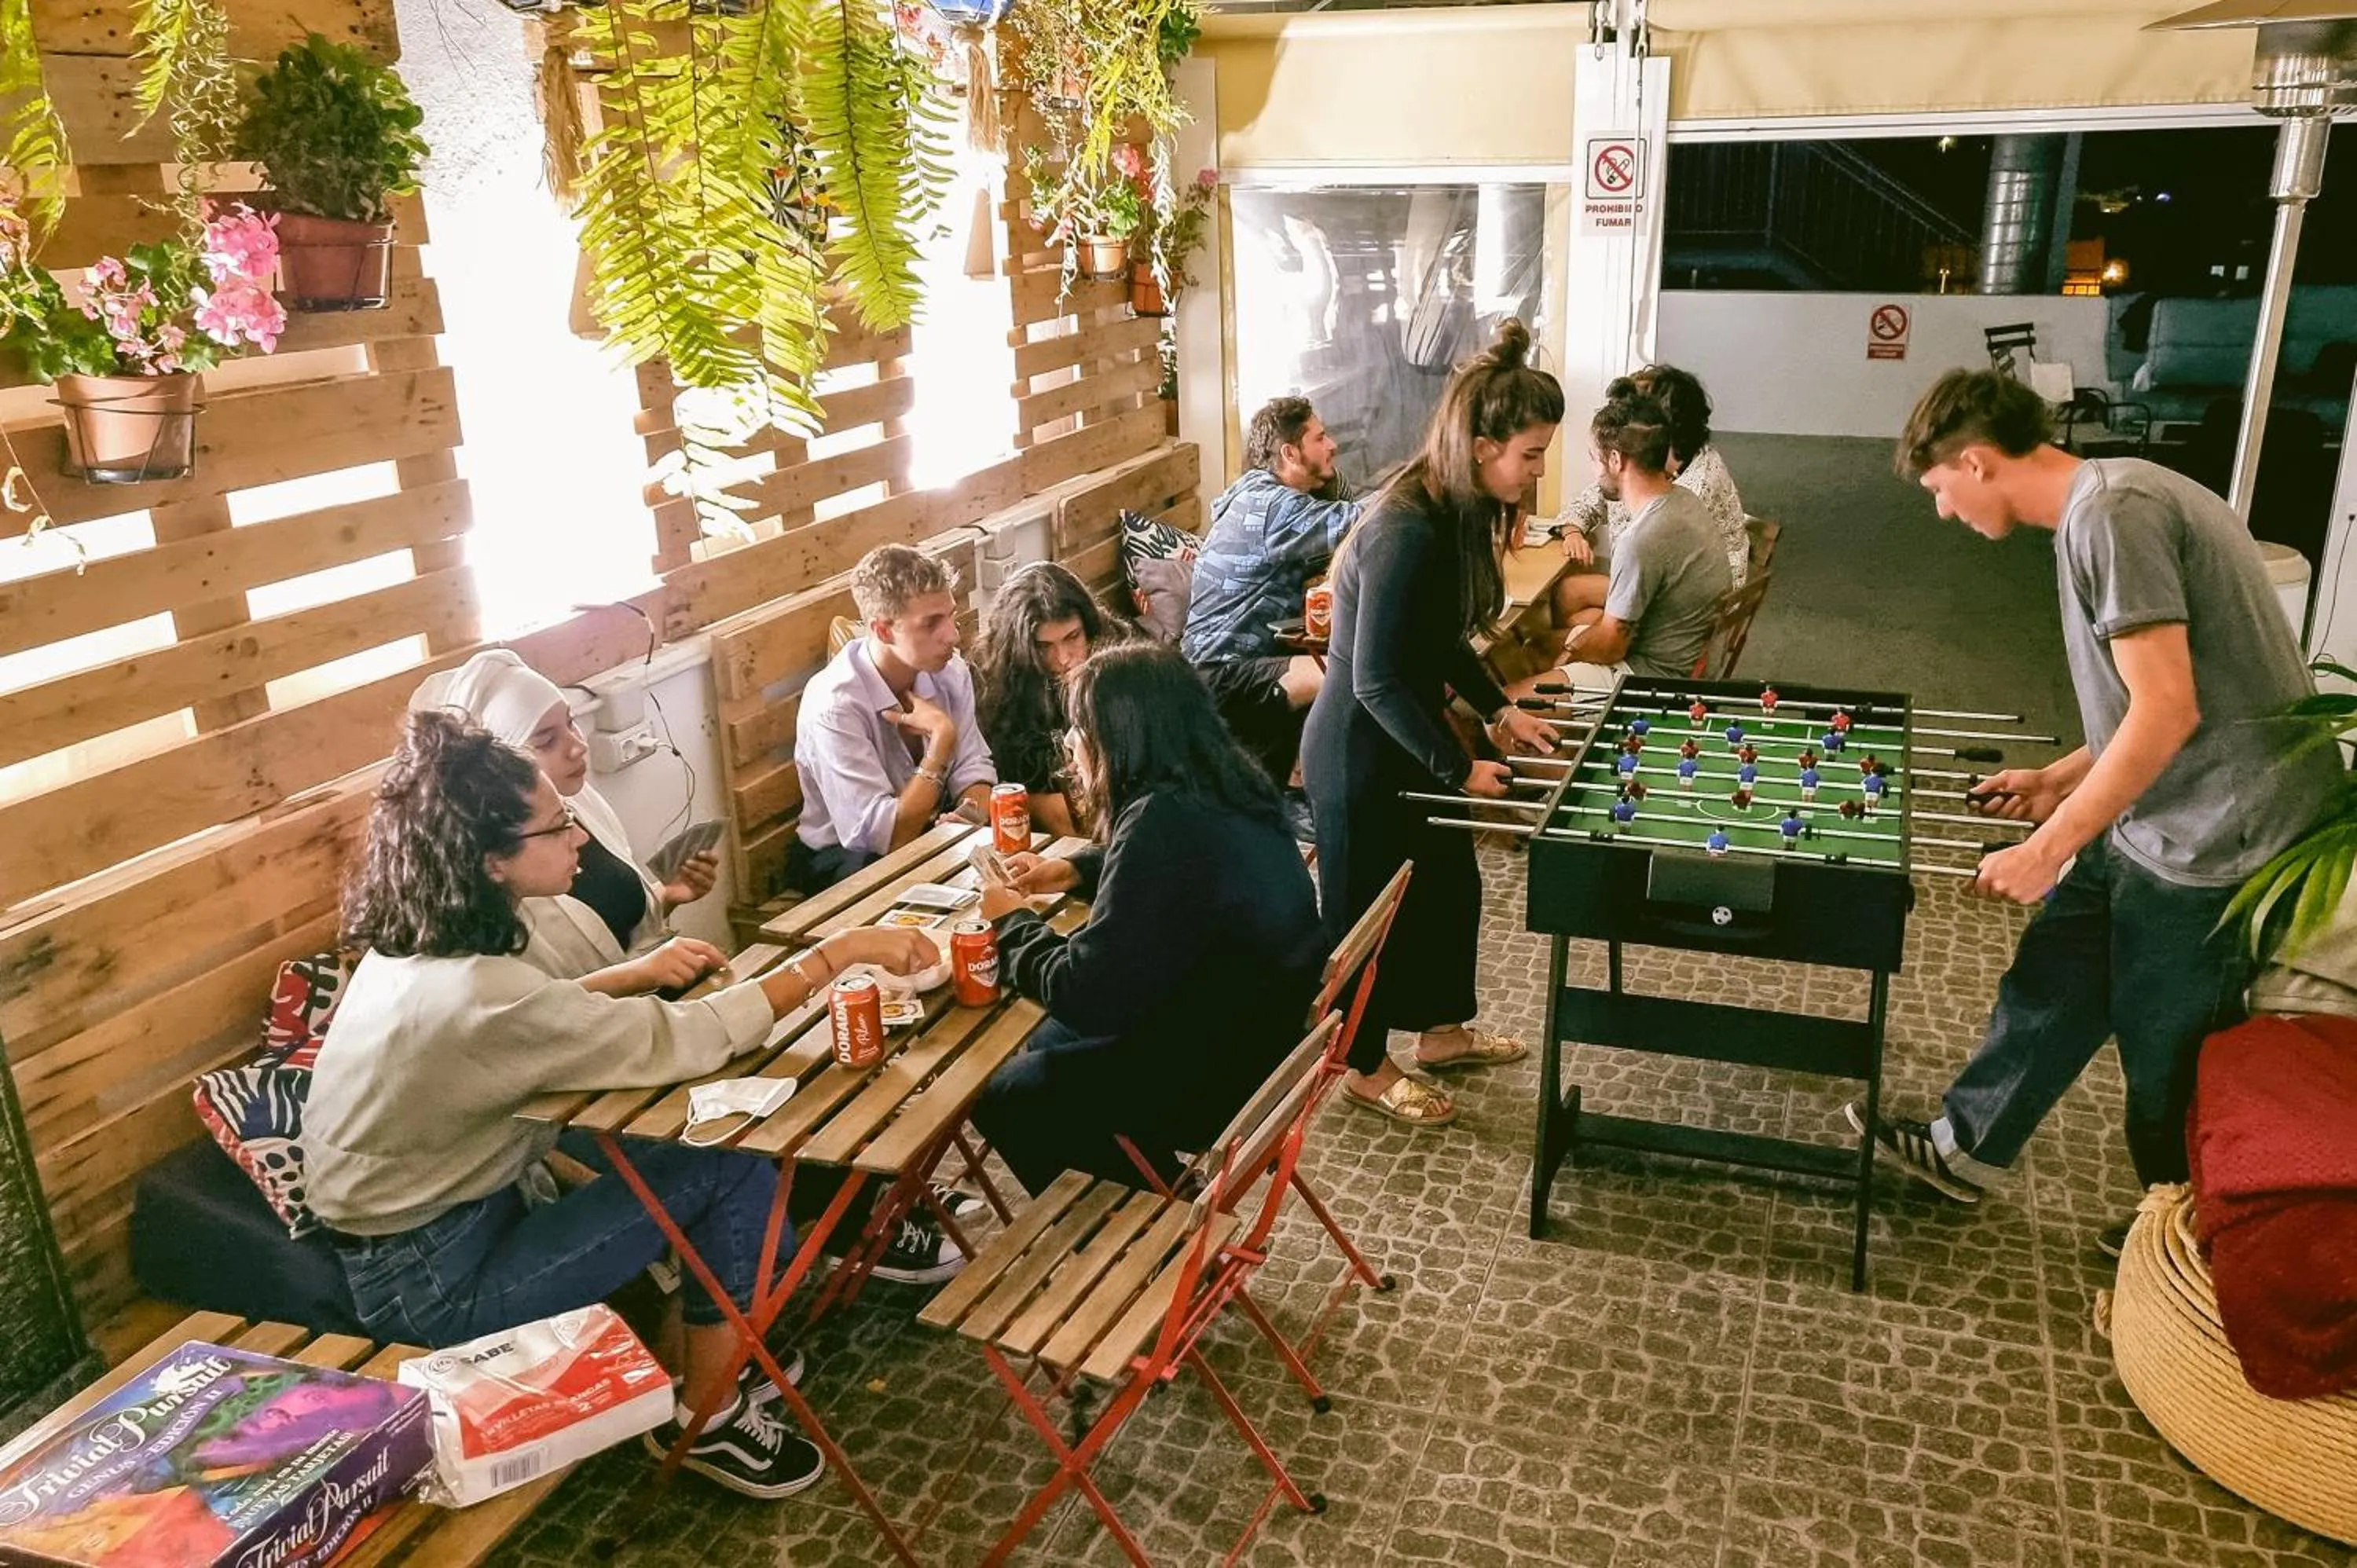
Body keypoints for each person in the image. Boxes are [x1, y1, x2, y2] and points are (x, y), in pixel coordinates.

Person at [306, 711, 939, 1499]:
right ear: (490, 859)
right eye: (556, 826)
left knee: (672, 1139)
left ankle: (732, 1331)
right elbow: (692, 1035)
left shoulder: (415, 948)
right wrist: (837, 952)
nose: (577, 836)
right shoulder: (476, 992)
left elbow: (516, 1024)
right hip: (437, 1279)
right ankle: (705, 1414)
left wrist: (625, 977)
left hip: (426, 1233)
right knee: (731, 1162)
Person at [1849, 369, 2343, 1254]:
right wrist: (2062, 777)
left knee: (2169, 1056)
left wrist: (2046, 845)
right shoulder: (2114, 495)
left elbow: (2167, 709)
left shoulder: (2115, 515)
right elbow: (2165, 695)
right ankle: (1966, 1153)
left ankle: (2191, 1239)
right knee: (2055, 978)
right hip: (2156, 811)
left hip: (2219, 837)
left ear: (1974, 461)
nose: (1940, 511)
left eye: (1938, 489)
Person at [1301, 320, 1564, 1128]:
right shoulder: (1405, 527)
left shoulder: (1454, 508)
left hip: (1404, 733)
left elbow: (1440, 636)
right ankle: (1364, 1064)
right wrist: (1460, 768)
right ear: (1484, 446)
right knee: (1368, 916)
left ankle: (1443, 1034)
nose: (1538, 469)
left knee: (1450, 886)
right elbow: (1374, 676)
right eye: (1531, 453)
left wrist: (1499, 712)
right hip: (1357, 752)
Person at [970, 644, 1325, 1192]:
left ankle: (1147, 1225)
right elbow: (1184, 873)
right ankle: (1146, 1175)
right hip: (1269, 1036)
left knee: (1008, 1092)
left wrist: (1011, 921)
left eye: (1079, 731)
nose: (1070, 745)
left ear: (1121, 736)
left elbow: (1085, 993)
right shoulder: (1229, 779)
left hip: (1222, 1077)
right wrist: (1073, 869)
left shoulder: (1158, 820)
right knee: (1045, 1041)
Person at [411, 649, 713, 959]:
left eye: (571, 723)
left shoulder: (581, 804)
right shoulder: (497, 868)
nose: (578, 746)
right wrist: (641, 976)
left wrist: (667, 895)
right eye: (546, 741)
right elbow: (548, 993)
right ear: (497, 763)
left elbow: (609, 935)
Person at [791, 545, 995, 889]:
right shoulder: (835, 705)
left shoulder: (950, 671)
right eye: (931, 623)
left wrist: (970, 814)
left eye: (950, 616)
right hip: (845, 857)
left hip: (926, 830)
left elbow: (974, 769)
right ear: (883, 631)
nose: (953, 635)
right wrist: (941, 741)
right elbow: (886, 837)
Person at [1181, 397, 1362, 785]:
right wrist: (1424, 483)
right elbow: (1361, 522)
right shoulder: (1269, 507)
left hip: (1247, 665)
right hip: (1221, 675)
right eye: (1320, 437)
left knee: (1357, 667)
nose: (1332, 445)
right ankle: (1327, 790)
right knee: (1355, 676)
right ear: (1290, 452)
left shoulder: (1281, 499)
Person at [1512, 392, 1734, 696]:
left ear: (1615, 460)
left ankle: (1562, 721)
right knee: (1536, 647)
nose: (1594, 469)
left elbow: (1610, 647)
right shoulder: (1685, 500)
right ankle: (1564, 731)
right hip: (1681, 653)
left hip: (1650, 675)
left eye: (1594, 458)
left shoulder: (1641, 539)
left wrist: (1572, 654)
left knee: (1506, 712)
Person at [1531, 365, 1747, 653]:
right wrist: (1572, 531)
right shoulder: (1647, 469)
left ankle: (1574, 668)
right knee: (1569, 596)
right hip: (1656, 579)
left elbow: (1657, 567)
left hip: (1683, 605)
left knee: (1562, 635)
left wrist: (1591, 637)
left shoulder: (1692, 489)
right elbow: (1588, 502)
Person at [971, 562, 1126, 839]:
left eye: (1073, 637)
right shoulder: (995, 684)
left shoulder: (1119, 660)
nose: (1064, 658)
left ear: (1088, 626)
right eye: (1044, 647)